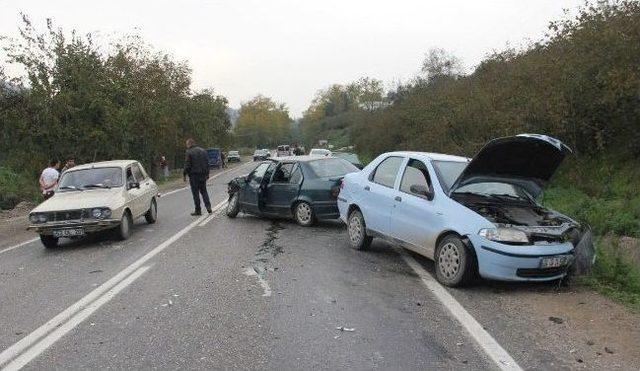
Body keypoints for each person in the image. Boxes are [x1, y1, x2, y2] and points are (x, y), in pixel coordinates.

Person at [183, 138, 212, 215]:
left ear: (189, 144)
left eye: (187, 144)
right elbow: (207, 163)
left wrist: (184, 174)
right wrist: (207, 174)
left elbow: (187, 165)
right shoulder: (203, 151)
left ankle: (198, 210)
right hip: (203, 175)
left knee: (195, 193)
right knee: (204, 191)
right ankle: (208, 207)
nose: (186, 146)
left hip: (194, 176)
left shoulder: (189, 152)